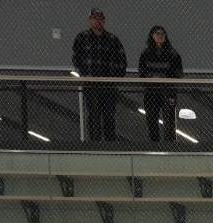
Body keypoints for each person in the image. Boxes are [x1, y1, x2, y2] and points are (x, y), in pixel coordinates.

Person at [72, 9, 126, 142]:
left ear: (104, 21)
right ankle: (94, 143)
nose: (98, 21)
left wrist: (115, 78)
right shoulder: (82, 38)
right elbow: (76, 58)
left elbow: (122, 61)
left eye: (100, 18)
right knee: (93, 115)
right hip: (91, 85)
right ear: (90, 20)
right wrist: (85, 74)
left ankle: (109, 144)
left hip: (109, 85)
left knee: (109, 116)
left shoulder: (113, 39)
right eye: (95, 18)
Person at [137, 26, 182, 143]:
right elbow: (141, 71)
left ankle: (169, 144)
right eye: (157, 33)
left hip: (168, 90)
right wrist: (151, 77)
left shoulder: (172, 53)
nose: (160, 36)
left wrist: (164, 77)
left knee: (169, 119)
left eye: (162, 34)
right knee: (151, 118)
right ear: (152, 36)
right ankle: (155, 144)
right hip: (151, 90)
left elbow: (178, 72)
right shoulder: (146, 53)